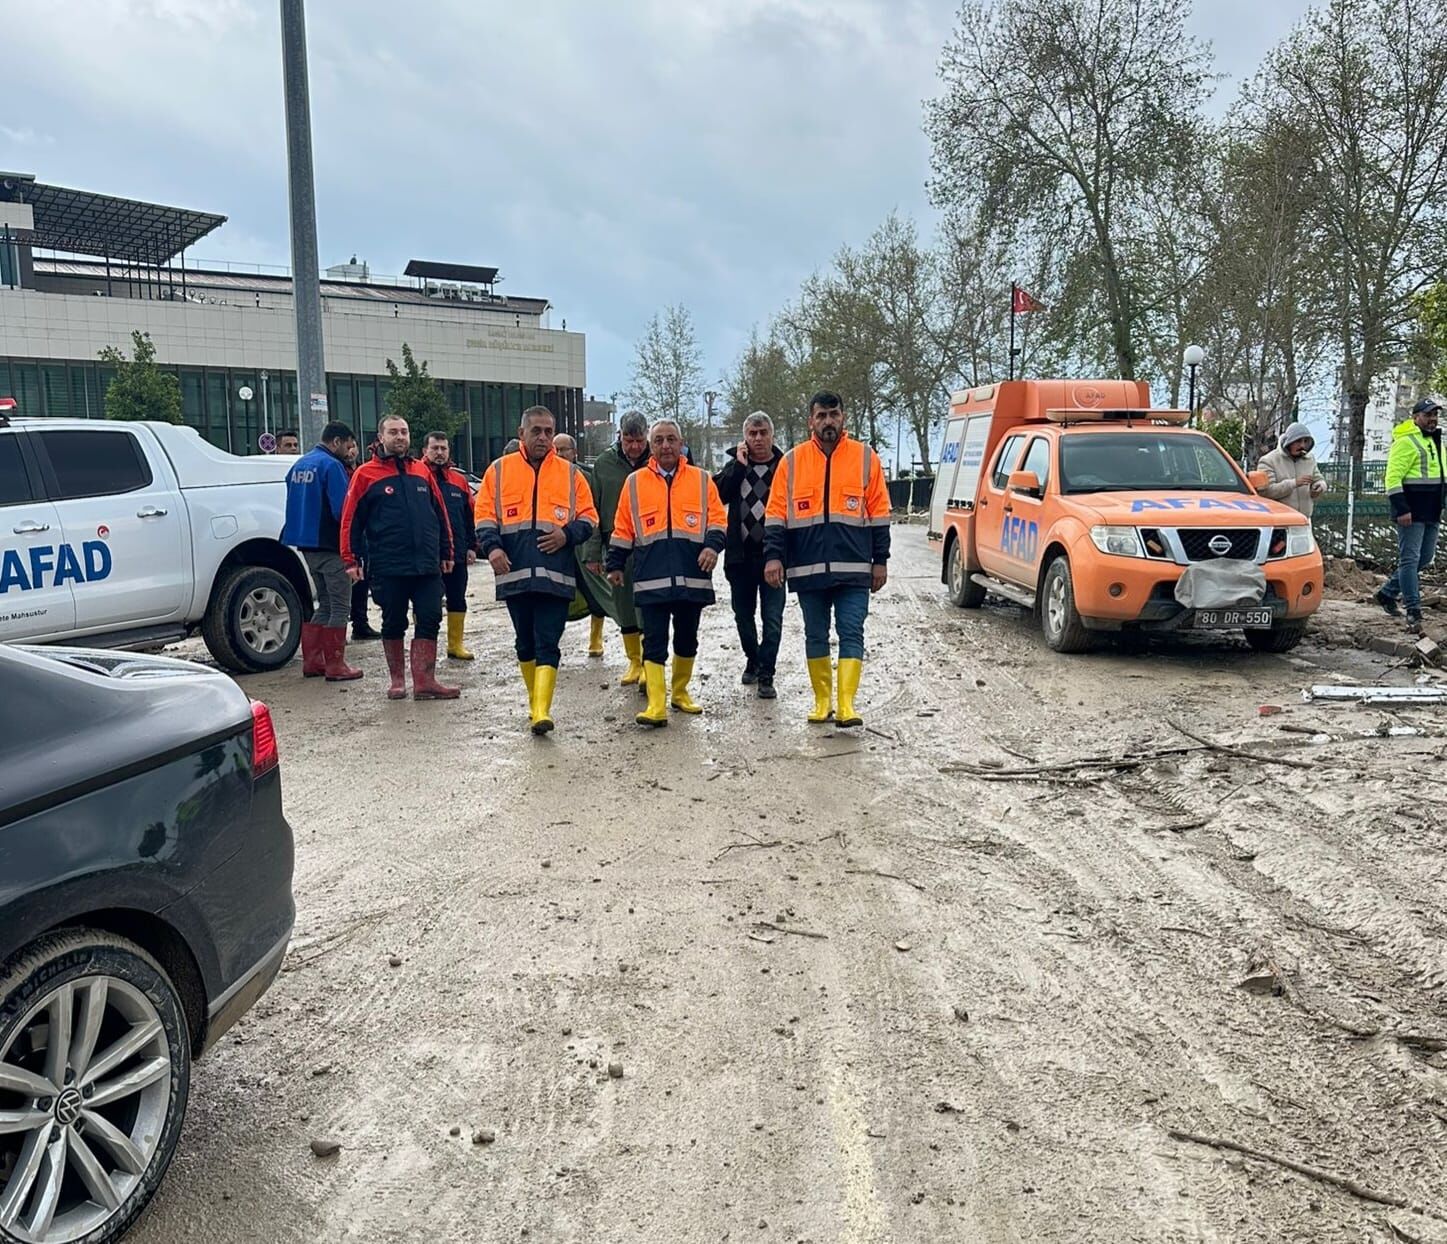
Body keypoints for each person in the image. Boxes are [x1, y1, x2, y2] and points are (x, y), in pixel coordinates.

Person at [764, 391, 890, 728]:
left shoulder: (866, 458)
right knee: (815, 634)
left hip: (855, 569)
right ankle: (822, 702)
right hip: (808, 570)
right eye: (821, 415)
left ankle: (846, 705)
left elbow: (879, 513)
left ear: (843, 417)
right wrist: (773, 557)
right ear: (811, 421)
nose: (828, 421)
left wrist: (881, 560)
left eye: (833, 414)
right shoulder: (791, 462)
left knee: (852, 632)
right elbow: (775, 515)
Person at [475, 406, 598, 734]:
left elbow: (589, 517)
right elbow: (484, 515)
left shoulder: (571, 474)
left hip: (555, 575)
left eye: (548, 431)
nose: (543, 437)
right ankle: (535, 702)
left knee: (548, 642)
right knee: (524, 643)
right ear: (522, 434)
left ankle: (542, 710)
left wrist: (566, 534)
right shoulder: (498, 471)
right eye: (536, 431)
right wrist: (493, 547)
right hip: (514, 573)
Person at [606, 419, 726, 727]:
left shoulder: (702, 480)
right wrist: (616, 564)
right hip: (651, 577)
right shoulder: (634, 483)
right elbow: (623, 527)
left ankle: (681, 693)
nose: (665, 446)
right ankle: (656, 704)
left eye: (671, 439)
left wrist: (712, 547)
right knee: (654, 641)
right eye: (658, 440)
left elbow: (717, 521)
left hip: (692, 575)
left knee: (687, 638)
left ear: (681, 442)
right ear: (651, 445)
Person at [340, 415, 459, 700]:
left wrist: (447, 551)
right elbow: (350, 520)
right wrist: (351, 559)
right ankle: (397, 681)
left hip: (427, 564)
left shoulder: (421, 471)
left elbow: (440, 514)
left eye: (404, 432)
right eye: (393, 432)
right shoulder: (365, 474)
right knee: (393, 622)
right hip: (388, 564)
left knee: (430, 617)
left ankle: (424, 681)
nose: (400, 437)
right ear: (380, 437)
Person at [281, 420, 363, 682]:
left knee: (325, 603)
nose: (350, 451)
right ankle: (336, 665)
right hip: (329, 544)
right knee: (340, 605)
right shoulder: (331, 466)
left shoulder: (299, 464)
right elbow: (342, 510)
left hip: (305, 544)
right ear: (336, 442)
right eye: (348, 445)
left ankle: (314, 661)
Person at [714, 411, 786, 699]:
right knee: (743, 616)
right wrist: (739, 467)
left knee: (773, 618)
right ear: (745, 438)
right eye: (752, 434)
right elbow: (718, 494)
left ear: (772, 435)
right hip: (740, 558)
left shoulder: (784, 468)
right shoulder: (736, 467)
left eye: (763, 433)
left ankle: (767, 673)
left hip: (773, 557)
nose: (758, 439)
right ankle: (752, 659)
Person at [581, 411, 651, 686]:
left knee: (649, 604)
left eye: (639, 440)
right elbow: (594, 510)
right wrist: (592, 553)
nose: (634, 446)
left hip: (651, 544)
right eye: (628, 440)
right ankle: (633, 661)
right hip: (617, 545)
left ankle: (650, 662)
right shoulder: (604, 465)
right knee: (623, 604)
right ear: (619, 436)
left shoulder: (657, 461)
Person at [1377, 396, 1446, 631]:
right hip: (1412, 511)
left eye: (1435, 415)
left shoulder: (1436, 441)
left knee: (1424, 558)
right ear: (1415, 417)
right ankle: (1413, 609)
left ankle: (1387, 593)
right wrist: (1402, 509)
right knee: (1409, 560)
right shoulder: (1406, 441)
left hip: (1432, 510)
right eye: (1427, 415)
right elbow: (1392, 478)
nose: (1432, 419)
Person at [422, 431, 480, 661]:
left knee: (458, 598)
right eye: (434, 448)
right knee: (428, 603)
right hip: (428, 556)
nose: (439, 453)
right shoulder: (418, 476)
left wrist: (472, 547)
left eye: (443, 448)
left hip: (457, 554)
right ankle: (427, 647)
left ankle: (455, 645)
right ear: (425, 451)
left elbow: (469, 517)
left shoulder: (459, 481)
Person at [555, 433, 610, 657]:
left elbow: (597, 512)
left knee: (596, 593)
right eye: (555, 449)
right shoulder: (543, 476)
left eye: (563, 450)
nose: (559, 454)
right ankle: (552, 641)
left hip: (584, 546)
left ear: (574, 452)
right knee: (556, 595)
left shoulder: (587, 477)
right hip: (557, 546)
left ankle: (596, 638)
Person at [343, 440, 379, 640]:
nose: (351, 450)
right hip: (351, 535)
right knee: (348, 583)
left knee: (363, 581)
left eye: (354, 446)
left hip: (367, 535)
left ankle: (360, 622)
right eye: (347, 446)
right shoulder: (339, 471)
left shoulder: (362, 470)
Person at [1258, 422, 1326, 518]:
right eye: (1298, 441)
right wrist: (1293, 483)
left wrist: (1319, 487)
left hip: (1304, 520)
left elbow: (1318, 479)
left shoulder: (1309, 459)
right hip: (1280, 521)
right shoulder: (1269, 461)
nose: (1302, 445)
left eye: (1306, 441)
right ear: (1288, 442)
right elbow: (1265, 492)